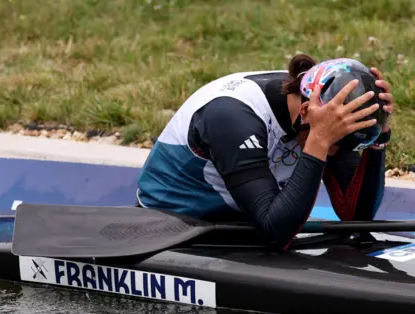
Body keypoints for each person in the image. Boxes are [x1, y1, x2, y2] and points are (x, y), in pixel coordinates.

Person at [136, 54, 394, 250]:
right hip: (170, 221)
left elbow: (355, 217)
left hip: (242, 218)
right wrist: (320, 141)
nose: (335, 152)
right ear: (305, 112)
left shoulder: (324, 110)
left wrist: (379, 139)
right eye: (336, 141)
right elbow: (275, 234)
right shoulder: (232, 115)